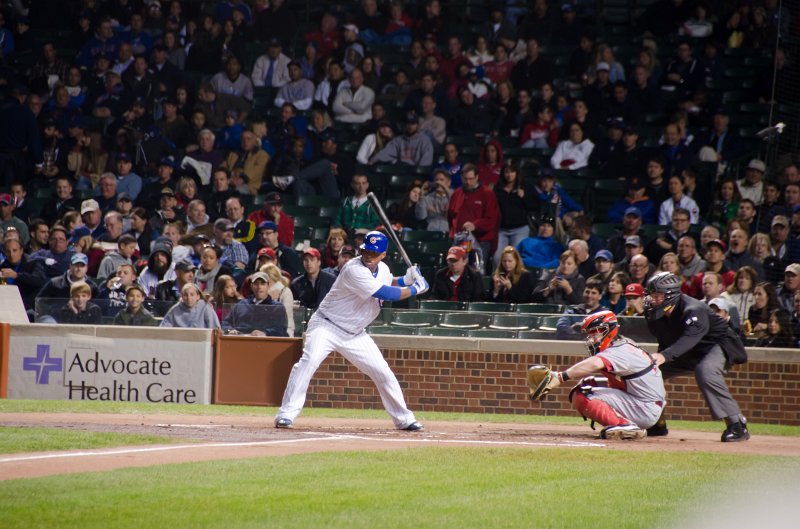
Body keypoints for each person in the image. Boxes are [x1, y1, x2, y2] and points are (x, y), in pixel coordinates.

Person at [275, 231, 428, 430]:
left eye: (373, 253)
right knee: (309, 361)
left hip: (355, 333)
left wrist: (405, 280)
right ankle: (286, 414)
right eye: (365, 250)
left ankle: (404, 419)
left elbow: (388, 282)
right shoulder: (353, 269)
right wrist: (416, 288)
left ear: (383, 255)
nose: (367, 255)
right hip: (327, 325)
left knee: (383, 373)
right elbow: (383, 293)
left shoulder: (382, 268)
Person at [643, 272, 749, 442]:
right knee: (650, 373)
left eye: (657, 296)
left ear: (670, 295)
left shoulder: (693, 309)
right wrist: (660, 360)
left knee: (705, 371)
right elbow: (665, 340)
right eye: (650, 296)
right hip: (686, 350)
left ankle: (737, 424)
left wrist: (664, 356)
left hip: (716, 344)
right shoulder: (652, 314)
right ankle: (657, 423)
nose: (652, 300)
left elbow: (689, 339)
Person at [542, 311, 665, 439]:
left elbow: (594, 364)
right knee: (588, 383)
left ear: (608, 330)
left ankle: (625, 426)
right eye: (589, 334)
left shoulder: (619, 349)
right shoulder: (621, 344)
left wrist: (561, 376)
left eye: (595, 333)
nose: (591, 339)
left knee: (583, 394)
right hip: (643, 401)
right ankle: (625, 424)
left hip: (645, 407)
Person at [222, 271, 288, 337]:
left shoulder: (277, 307)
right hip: (241, 341)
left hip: (266, 343)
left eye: (262, 283)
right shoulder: (241, 305)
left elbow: (281, 328)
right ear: (251, 286)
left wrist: (265, 333)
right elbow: (226, 322)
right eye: (256, 284)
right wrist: (230, 330)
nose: (259, 287)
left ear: (268, 285)